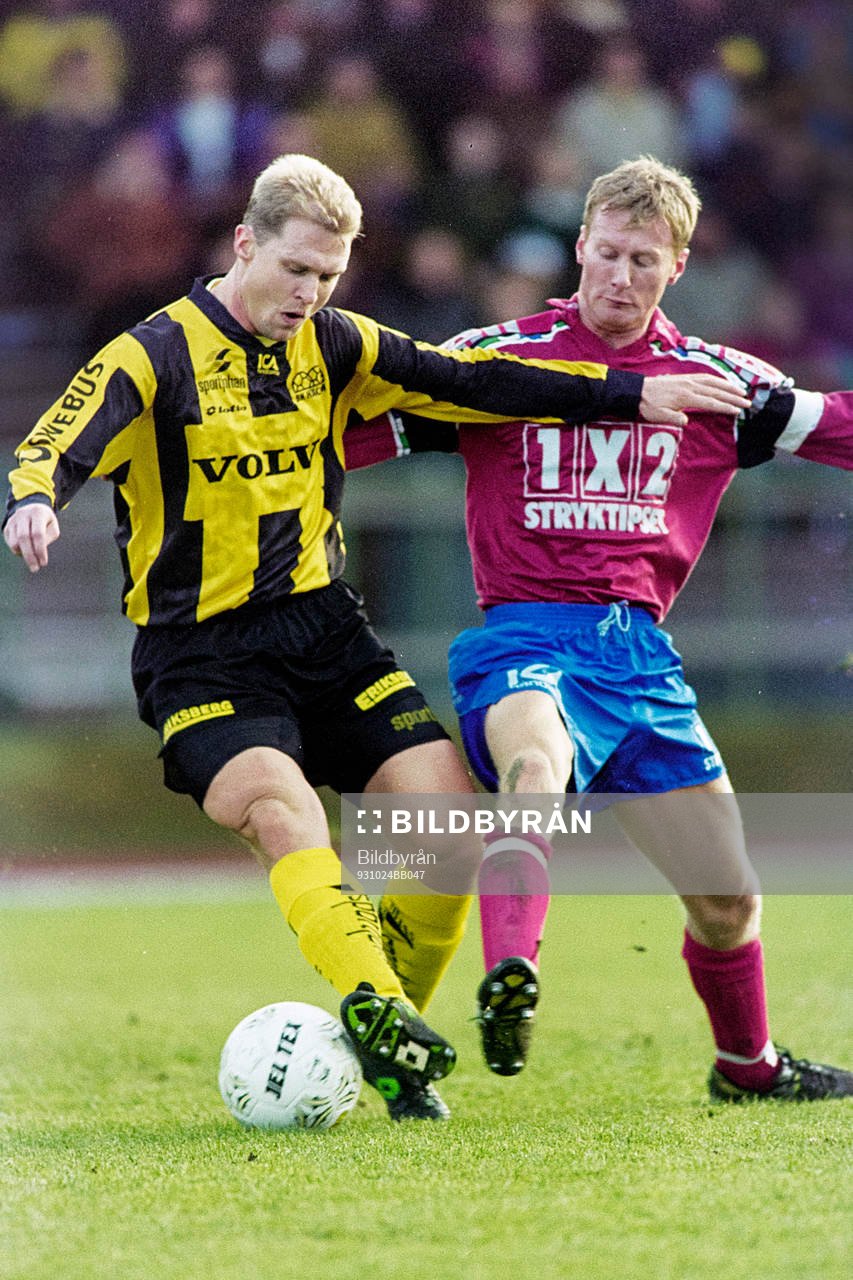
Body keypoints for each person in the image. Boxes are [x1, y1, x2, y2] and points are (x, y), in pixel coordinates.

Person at [2, 153, 748, 1122]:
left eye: (328, 276)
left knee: (445, 817)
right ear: (244, 244)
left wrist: (624, 395)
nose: (309, 294)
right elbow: (56, 438)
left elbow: (472, 380)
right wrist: (31, 501)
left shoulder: (339, 344)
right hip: (199, 650)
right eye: (296, 270)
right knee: (282, 810)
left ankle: (389, 1052)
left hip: (324, 630)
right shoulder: (154, 353)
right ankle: (383, 1007)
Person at [345, 156, 853, 1102]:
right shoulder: (497, 359)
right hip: (524, 640)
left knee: (728, 902)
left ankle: (746, 1068)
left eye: (643, 261)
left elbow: (837, 427)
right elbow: (352, 436)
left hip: (640, 664)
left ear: (678, 268)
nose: (619, 276)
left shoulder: (717, 384)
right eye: (607, 253)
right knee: (532, 770)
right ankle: (512, 977)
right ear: (579, 245)